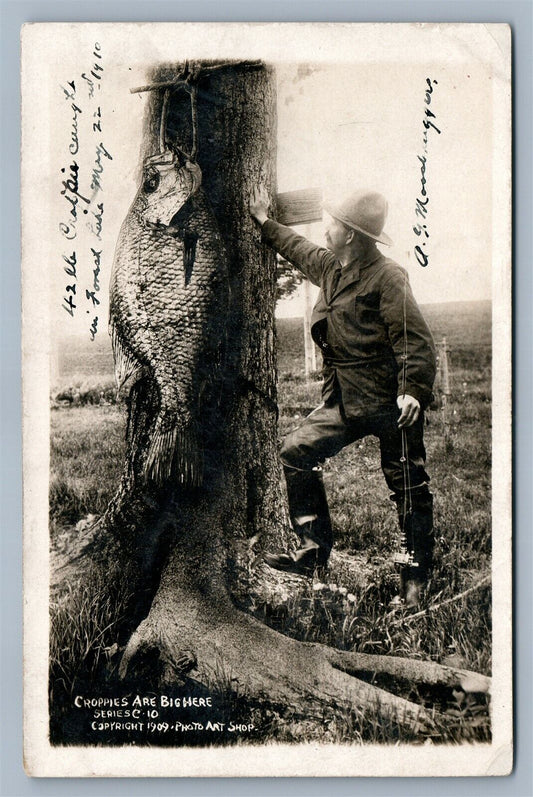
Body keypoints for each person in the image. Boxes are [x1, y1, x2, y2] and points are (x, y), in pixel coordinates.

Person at [249, 186, 437, 607]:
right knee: (294, 452)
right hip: (343, 399)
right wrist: (264, 222)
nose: (325, 229)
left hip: (391, 403)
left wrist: (412, 392)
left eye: (331, 222)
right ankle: (313, 552)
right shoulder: (331, 266)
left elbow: (414, 339)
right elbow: (297, 247)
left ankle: (414, 581)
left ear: (350, 233)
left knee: (408, 485)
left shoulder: (388, 277)